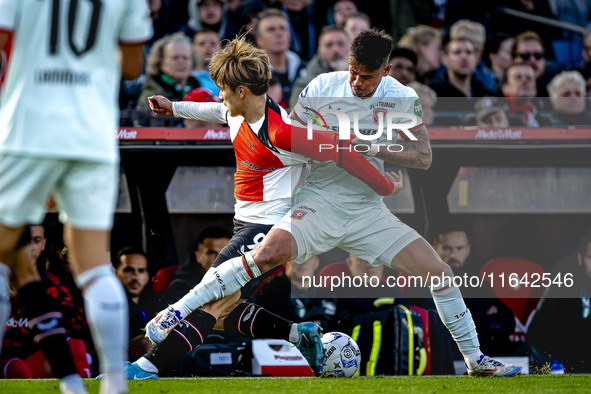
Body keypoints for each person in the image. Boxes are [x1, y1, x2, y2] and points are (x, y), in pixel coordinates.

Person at [147, 28, 521, 378]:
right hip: (318, 200)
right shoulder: (321, 87)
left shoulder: (402, 98)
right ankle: (173, 313)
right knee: (263, 255)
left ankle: (476, 361)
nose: (357, 82)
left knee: (439, 273)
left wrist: (369, 146)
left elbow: (423, 157)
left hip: (367, 210)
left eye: (367, 77)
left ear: (386, 71)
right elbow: (290, 138)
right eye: (353, 72)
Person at [116, 35, 402, 380]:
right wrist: (173, 107)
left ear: (241, 91)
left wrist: (385, 186)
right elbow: (214, 110)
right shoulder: (238, 110)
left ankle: (146, 366)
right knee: (225, 309)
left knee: (210, 303)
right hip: (245, 223)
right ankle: (300, 334)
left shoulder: (282, 132)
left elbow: (344, 152)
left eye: (222, 88)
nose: (218, 94)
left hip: (267, 229)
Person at [0, 0, 152, 393]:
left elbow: (3, 43)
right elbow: (133, 67)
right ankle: (114, 382)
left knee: (3, 257)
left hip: (26, 129)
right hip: (92, 135)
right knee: (94, 267)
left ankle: (72, 381)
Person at [528, 233, 591, 372]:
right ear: (580, 258)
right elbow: (570, 332)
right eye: (590, 257)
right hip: (550, 352)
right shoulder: (567, 278)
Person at [254, 256, 339, 332]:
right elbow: (291, 329)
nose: (304, 261)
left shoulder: (328, 295)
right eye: (298, 256)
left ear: (316, 262)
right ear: (285, 262)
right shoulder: (269, 295)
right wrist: (324, 322)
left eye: (309, 256)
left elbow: (343, 325)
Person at [289, 26, 350, 108]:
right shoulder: (306, 84)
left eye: (341, 44)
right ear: (319, 51)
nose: (335, 49)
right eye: (329, 45)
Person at [255, 9, 305, 107]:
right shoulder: (249, 75)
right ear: (258, 40)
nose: (279, 33)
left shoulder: (305, 68)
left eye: (282, 28)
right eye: (271, 29)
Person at [138, 33, 200, 111]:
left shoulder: (199, 88)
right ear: (160, 62)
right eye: (175, 58)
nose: (181, 62)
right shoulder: (152, 97)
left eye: (185, 58)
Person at [430, 37, 494, 110]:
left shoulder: (485, 94)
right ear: (445, 59)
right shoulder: (435, 96)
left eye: (469, 52)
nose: (464, 57)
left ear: (476, 59)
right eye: (457, 52)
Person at [511, 31, 551, 98]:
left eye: (537, 55)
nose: (532, 60)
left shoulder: (550, 92)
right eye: (525, 55)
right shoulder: (500, 93)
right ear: (513, 59)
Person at [192, 30, 221, 95]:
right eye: (202, 44)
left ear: (221, 49)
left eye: (213, 43)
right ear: (192, 49)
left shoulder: (232, 79)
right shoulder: (185, 79)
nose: (208, 47)